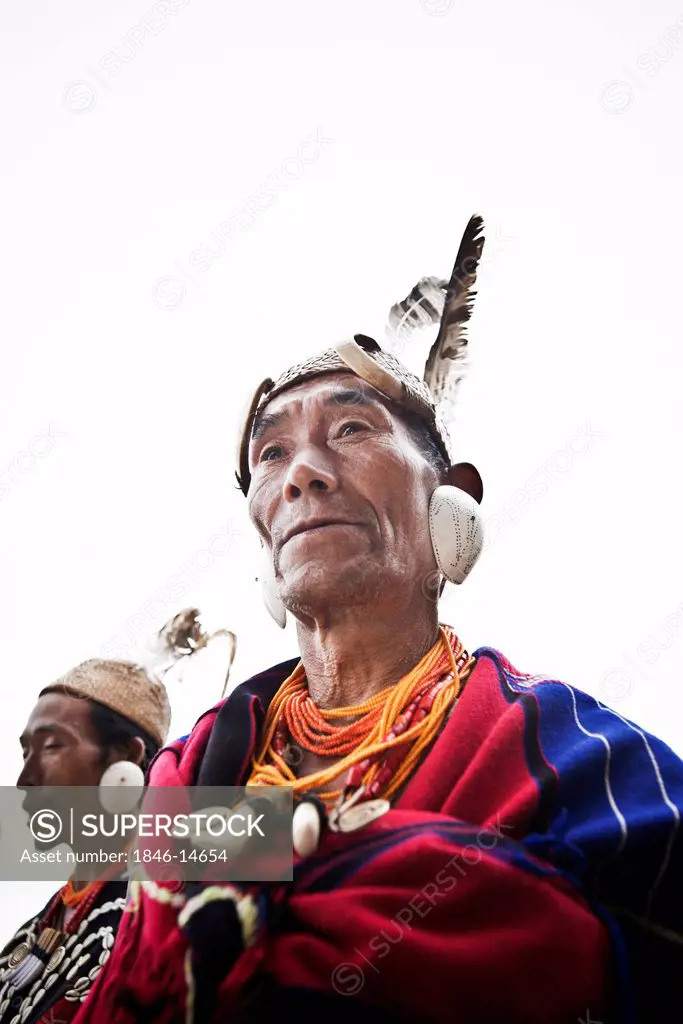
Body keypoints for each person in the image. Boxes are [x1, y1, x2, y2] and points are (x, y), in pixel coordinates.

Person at [75, 216, 683, 1023]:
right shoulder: (191, 763)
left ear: (450, 494)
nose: (302, 475)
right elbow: (44, 841)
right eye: (270, 455)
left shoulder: (566, 742)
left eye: (351, 430)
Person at [0, 658, 170, 1024]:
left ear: (126, 758)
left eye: (51, 747)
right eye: (25, 752)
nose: (24, 780)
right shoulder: (31, 933)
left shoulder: (160, 922)